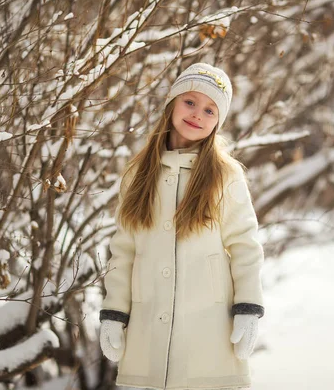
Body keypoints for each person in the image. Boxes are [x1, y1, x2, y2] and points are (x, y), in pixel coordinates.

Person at [99, 62, 265, 390]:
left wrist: (248, 307)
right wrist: (114, 312)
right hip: (148, 328)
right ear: (171, 103)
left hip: (210, 330)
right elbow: (124, 250)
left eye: (210, 110)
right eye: (190, 102)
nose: (197, 115)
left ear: (218, 122)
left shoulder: (225, 176)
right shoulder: (138, 173)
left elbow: (245, 245)